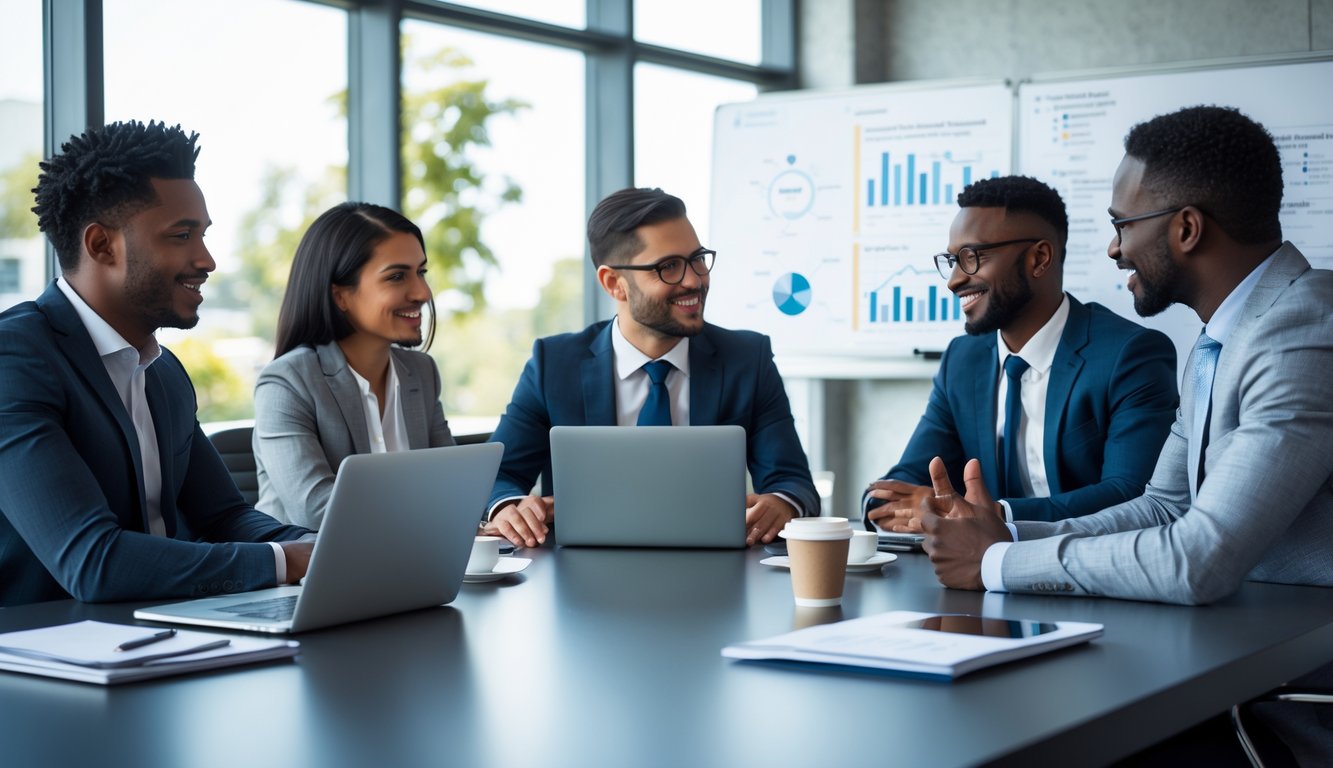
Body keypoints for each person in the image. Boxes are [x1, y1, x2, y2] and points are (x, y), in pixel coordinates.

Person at [915, 105, 1332, 608]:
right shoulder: (1221, 336)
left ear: (1186, 229)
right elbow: (1162, 507)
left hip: (1304, 656)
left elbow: (1200, 557)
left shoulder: (1302, 330)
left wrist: (995, 563)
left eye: (1124, 225)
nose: (1114, 249)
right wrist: (1005, 533)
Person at [0, 120, 313, 607]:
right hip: (43, 659)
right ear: (102, 245)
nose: (206, 259)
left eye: (203, 235)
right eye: (181, 236)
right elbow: (93, 561)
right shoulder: (14, 359)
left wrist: (328, 545)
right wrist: (289, 561)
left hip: (163, 637)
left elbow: (226, 517)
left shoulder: (163, 373)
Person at [483, 187, 820, 548]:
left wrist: (780, 503)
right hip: (583, 583)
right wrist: (509, 508)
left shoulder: (747, 358)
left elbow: (793, 482)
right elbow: (495, 477)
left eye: (697, 259)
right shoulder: (554, 365)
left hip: (716, 580)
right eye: (668, 267)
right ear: (614, 284)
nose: (694, 280)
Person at [865, 176, 1177, 530]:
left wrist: (996, 516)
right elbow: (909, 478)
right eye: (951, 260)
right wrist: (882, 503)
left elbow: (1132, 495)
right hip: (978, 575)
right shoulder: (963, 360)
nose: (953, 280)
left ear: (1039, 258)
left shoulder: (1130, 355)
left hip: (1088, 573)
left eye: (971, 257)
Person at [252, 203, 455, 529]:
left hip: (412, 567)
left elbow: (455, 486)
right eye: (397, 276)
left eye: (422, 272)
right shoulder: (286, 382)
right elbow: (317, 509)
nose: (422, 292)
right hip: (308, 575)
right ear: (341, 296)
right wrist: (433, 514)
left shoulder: (421, 372)